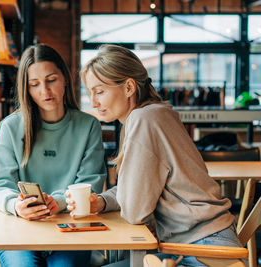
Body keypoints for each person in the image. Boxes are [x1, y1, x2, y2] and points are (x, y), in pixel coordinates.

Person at [67, 44, 243, 267]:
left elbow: (134, 211)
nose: (93, 103)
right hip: (205, 241)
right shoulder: (152, 114)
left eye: (99, 91)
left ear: (129, 87)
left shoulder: (144, 120)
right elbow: (135, 191)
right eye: (89, 92)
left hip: (204, 250)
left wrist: (110, 201)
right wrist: (101, 202)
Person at [0, 43, 107, 267]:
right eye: (35, 84)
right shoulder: (11, 127)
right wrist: (15, 205)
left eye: (51, 80)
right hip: (19, 229)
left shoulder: (88, 126)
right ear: (27, 89)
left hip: (71, 229)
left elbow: (91, 182)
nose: (45, 91)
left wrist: (59, 202)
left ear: (66, 78)